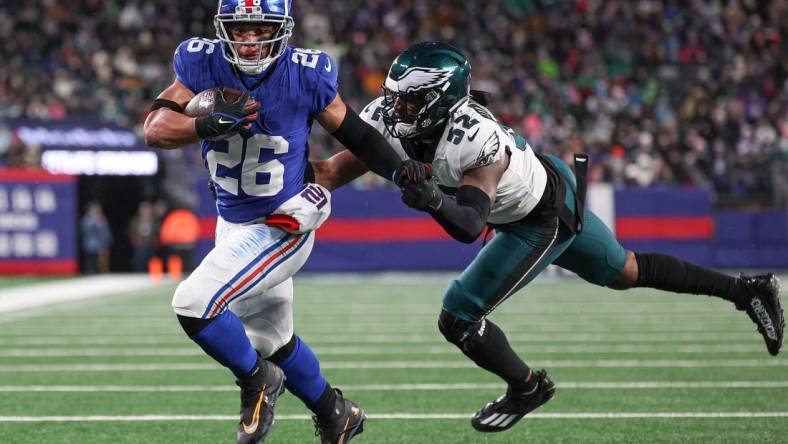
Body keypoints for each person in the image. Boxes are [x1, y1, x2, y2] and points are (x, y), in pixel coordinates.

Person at [312, 41, 784, 434]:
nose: (396, 107)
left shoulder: (474, 139)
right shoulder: (394, 118)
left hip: (539, 214)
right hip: (542, 182)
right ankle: (746, 289)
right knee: (627, 271)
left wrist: (432, 199)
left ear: (441, 102)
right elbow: (330, 173)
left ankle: (528, 387)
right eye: (395, 96)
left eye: (410, 101)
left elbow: (470, 225)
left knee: (457, 315)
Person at [143, 1, 403, 443]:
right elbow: (155, 128)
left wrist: (400, 172)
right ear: (224, 30)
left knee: (193, 302)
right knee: (270, 340)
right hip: (232, 220)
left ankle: (257, 381)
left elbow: (357, 135)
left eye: (259, 30)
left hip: (284, 220)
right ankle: (335, 412)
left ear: (280, 31)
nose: (248, 40)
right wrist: (204, 126)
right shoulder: (199, 61)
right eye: (239, 30)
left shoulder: (307, 71)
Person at [80, 201, 112, 273]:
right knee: (91, 266)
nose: (96, 212)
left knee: (102, 267)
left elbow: (107, 235)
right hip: (90, 248)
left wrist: (101, 224)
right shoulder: (87, 220)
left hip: (101, 248)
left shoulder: (102, 221)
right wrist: (96, 222)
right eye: (95, 210)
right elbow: (86, 231)